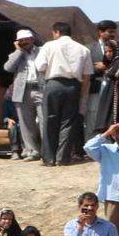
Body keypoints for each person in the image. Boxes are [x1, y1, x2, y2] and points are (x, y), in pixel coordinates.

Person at [37, 22, 93, 167]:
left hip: (53, 83)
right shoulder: (83, 49)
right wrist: (80, 91)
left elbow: (40, 66)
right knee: (68, 123)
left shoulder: (48, 46)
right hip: (73, 85)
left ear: (56, 32)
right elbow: (87, 75)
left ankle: (49, 158)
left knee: (50, 120)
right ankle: (63, 158)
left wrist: (50, 77)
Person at [5, 29, 45, 162]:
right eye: (21, 40)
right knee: (26, 123)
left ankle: (47, 150)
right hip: (23, 91)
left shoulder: (42, 51)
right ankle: (32, 151)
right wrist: (18, 51)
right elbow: (8, 68)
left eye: (26, 39)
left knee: (44, 121)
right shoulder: (16, 54)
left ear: (32, 39)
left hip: (40, 88)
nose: (24, 42)